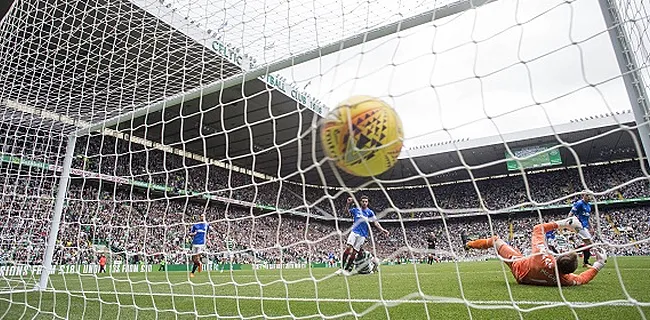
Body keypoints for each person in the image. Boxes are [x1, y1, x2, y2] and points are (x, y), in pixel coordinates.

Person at [465, 217, 607, 286]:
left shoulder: (543, 257)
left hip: (518, 265)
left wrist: (564, 224)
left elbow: (537, 228)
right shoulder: (566, 280)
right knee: (517, 251)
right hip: (524, 278)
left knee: (496, 241)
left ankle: (469, 244)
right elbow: (582, 279)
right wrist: (599, 263)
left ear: (557, 257)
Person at [336, 195, 389, 276]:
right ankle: (341, 268)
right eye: (363, 201)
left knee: (354, 253)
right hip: (354, 232)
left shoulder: (370, 212)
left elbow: (375, 222)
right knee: (348, 248)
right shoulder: (356, 210)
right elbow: (346, 212)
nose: (364, 203)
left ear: (368, 203)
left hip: (363, 235)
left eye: (366, 201)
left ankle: (347, 270)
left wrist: (382, 229)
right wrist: (348, 204)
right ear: (360, 202)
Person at [569, 194, 594, 267]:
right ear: (585, 196)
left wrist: (591, 227)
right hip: (579, 225)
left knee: (588, 245)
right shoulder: (579, 203)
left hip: (585, 226)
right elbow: (571, 212)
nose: (590, 197)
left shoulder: (589, 205)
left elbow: (587, 218)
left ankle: (585, 262)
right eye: (589, 196)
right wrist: (568, 222)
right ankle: (571, 254)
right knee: (590, 243)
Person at [188, 213, 209, 278]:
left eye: (203, 216)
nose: (202, 217)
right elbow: (190, 233)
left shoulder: (207, 225)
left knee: (197, 257)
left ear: (205, 217)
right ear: (200, 217)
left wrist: (207, 241)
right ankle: (199, 264)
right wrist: (193, 234)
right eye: (201, 216)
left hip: (201, 244)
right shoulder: (195, 225)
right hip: (194, 243)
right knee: (193, 259)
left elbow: (207, 234)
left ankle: (192, 273)